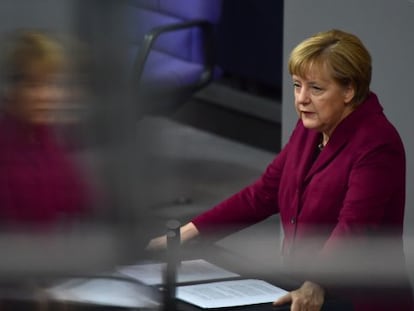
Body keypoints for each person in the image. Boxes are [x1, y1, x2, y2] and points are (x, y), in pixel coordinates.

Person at [148, 29, 414, 311]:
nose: (301, 99)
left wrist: (316, 283)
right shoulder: (311, 127)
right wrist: (189, 232)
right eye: (297, 85)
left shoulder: (377, 143)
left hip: (356, 299)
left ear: (349, 90)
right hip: (299, 285)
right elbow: (265, 193)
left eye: (316, 88)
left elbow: (354, 229)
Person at [0, 30, 93, 229]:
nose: (46, 95)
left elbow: (83, 209)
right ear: (11, 90)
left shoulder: (56, 146)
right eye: (34, 85)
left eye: (51, 84)